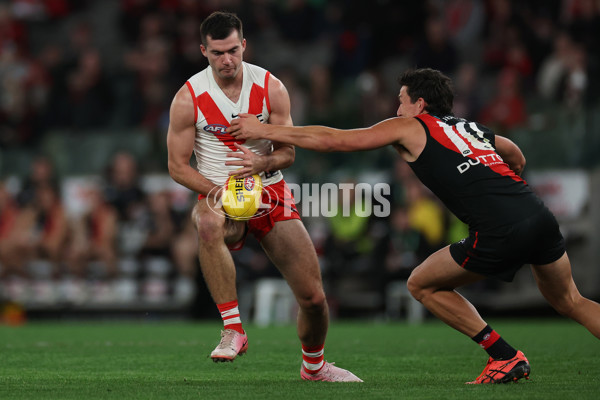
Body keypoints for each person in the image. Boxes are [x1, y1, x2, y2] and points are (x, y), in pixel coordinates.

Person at [228, 67, 600, 384]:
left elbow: (334, 141)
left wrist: (265, 131)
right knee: (570, 300)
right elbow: (514, 152)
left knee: (421, 284)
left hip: (501, 228)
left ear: (419, 105)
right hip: (537, 214)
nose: (397, 108)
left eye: (402, 100)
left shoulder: (411, 127)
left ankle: (503, 355)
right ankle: (505, 356)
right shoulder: (470, 127)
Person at [166, 11, 360, 382]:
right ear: (203, 51)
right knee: (206, 222)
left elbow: (289, 153)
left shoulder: (271, 87)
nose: (227, 60)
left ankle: (315, 367)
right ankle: (233, 328)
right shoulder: (188, 97)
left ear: (245, 46)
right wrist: (220, 191)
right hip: (218, 192)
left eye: (234, 50)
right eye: (218, 52)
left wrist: (260, 161)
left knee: (314, 299)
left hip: (269, 188)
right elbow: (177, 166)